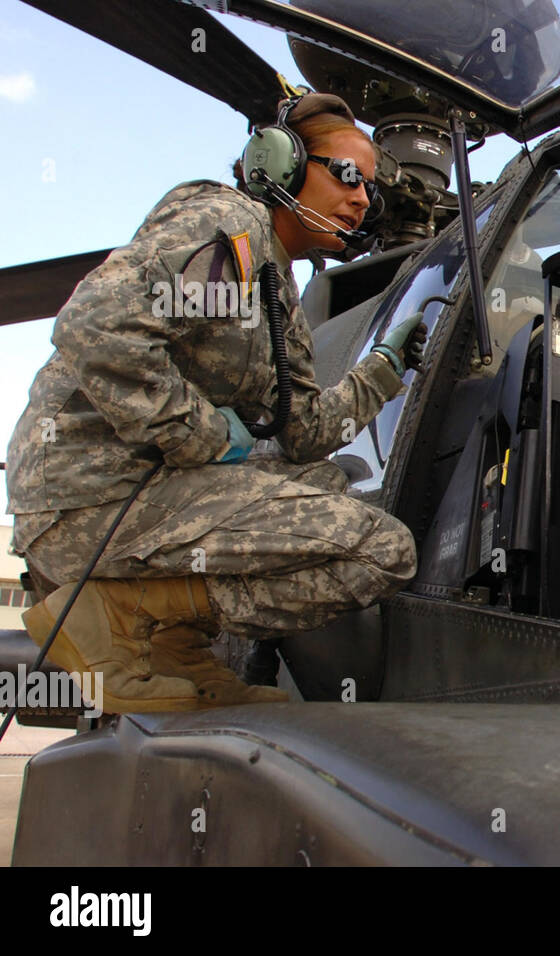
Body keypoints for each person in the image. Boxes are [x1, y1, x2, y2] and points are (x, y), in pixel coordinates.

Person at [5, 92, 426, 711]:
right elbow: (95, 325)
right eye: (346, 175)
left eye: (369, 187)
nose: (362, 198)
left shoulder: (274, 287)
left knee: (327, 479)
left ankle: (170, 646)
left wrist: (384, 369)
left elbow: (306, 430)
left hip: (127, 497)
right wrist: (204, 433)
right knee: (381, 551)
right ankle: (118, 619)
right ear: (280, 165)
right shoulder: (230, 228)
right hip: (87, 501)